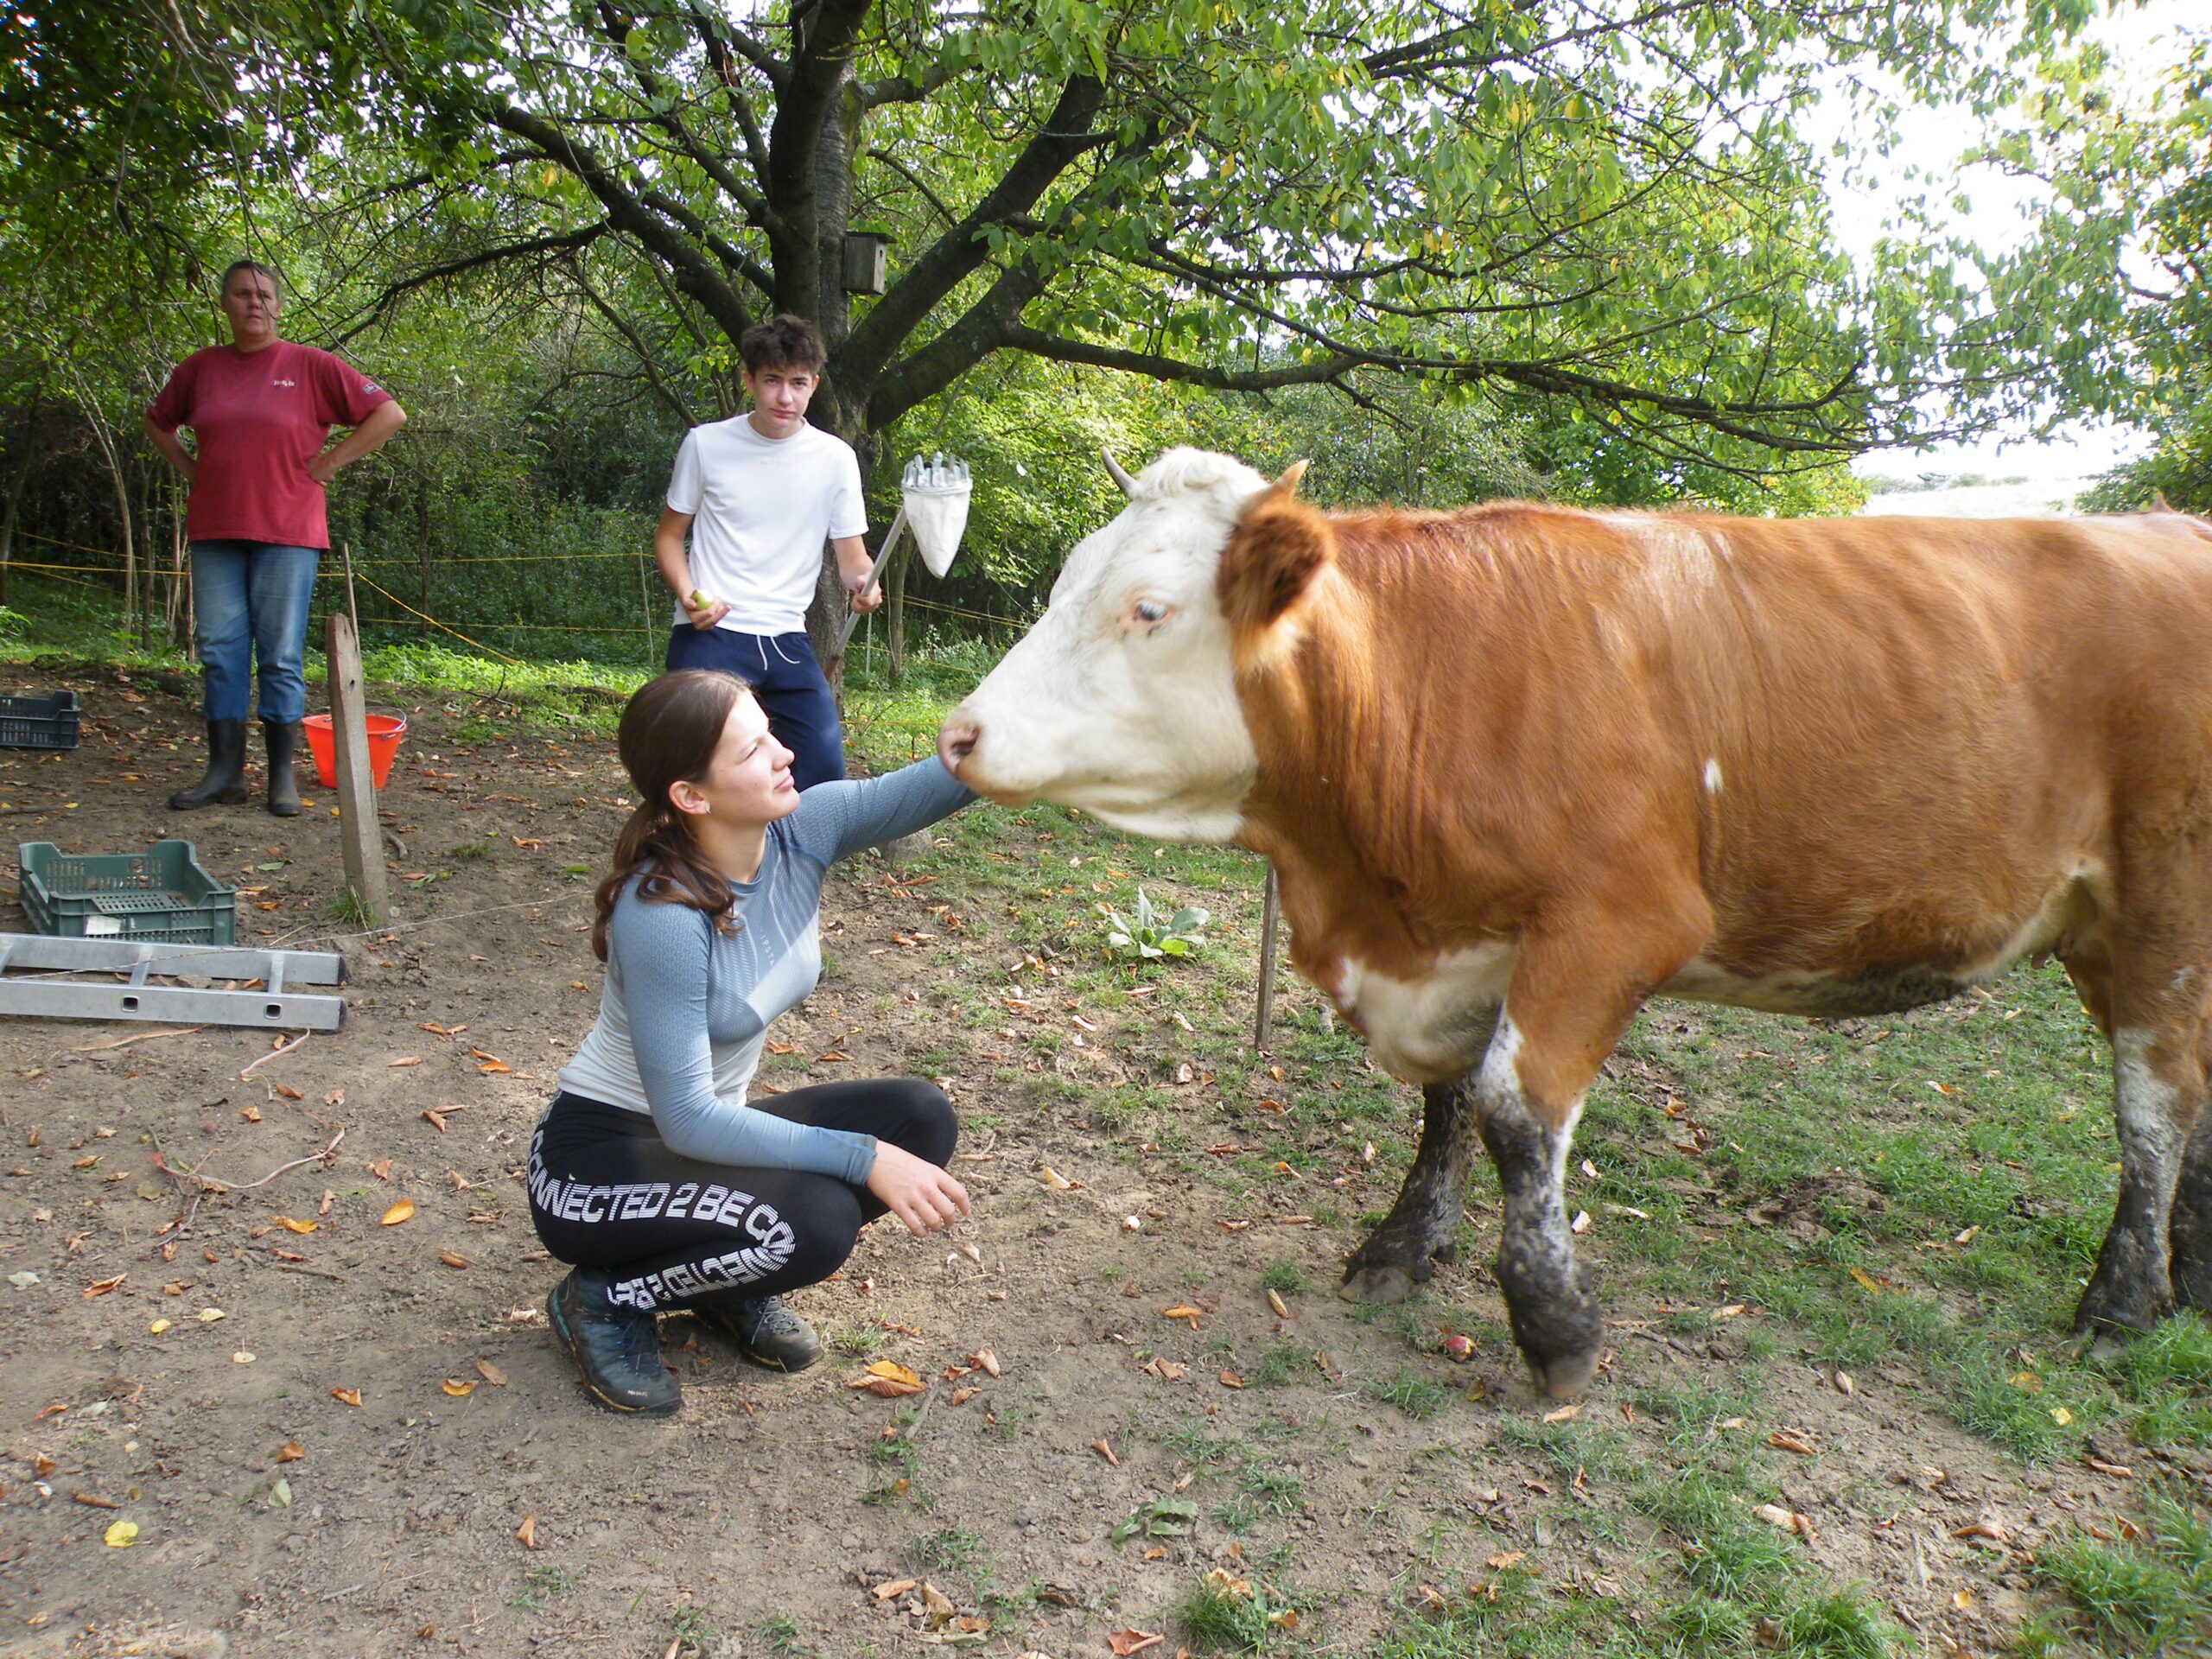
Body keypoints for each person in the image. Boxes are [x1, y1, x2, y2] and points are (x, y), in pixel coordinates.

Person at [531, 669, 974, 1414]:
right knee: (816, 1223)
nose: (783, 754)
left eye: (770, 732)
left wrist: (1016, 729)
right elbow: (687, 1120)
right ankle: (605, 1298)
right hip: (597, 1169)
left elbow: (950, 778)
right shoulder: (662, 912)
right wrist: (864, 1157)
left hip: (700, 1143)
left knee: (919, 1119)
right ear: (691, 795)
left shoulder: (804, 829)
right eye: (751, 750)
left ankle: (723, 1279)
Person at [144, 259, 407, 817]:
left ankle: (280, 777)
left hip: (287, 531)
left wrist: (329, 463)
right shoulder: (200, 369)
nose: (254, 303)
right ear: (225, 304)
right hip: (216, 530)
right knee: (220, 653)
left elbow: (388, 413)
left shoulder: (311, 366)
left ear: (279, 306)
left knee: (281, 656)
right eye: (242, 293)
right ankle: (223, 773)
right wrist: (191, 470)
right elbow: (158, 422)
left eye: (264, 295)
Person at [653, 313, 878, 792]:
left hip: (787, 639)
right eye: (772, 380)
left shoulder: (836, 458)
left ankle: (787, 847)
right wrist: (690, 595)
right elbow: (668, 537)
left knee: (823, 777)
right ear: (749, 381)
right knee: (698, 772)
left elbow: (853, 560)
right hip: (711, 634)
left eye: (798, 383)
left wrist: (865, 583)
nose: (785, 397)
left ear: (814, 385)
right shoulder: (705, 444)